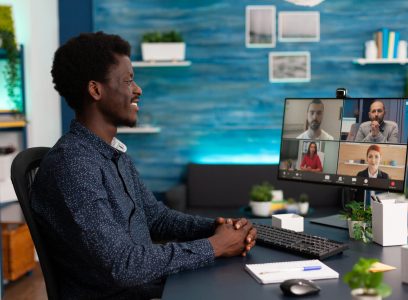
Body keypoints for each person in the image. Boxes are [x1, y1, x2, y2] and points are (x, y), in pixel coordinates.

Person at [31, 32, 256, 299]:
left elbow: (156, 218)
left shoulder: (114, 155)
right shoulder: (72, 165)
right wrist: (214, 246)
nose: (138, 89)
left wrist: (218, 228)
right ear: (95, 90)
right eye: (128, 81)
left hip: (145, 287)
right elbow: (123, 265)